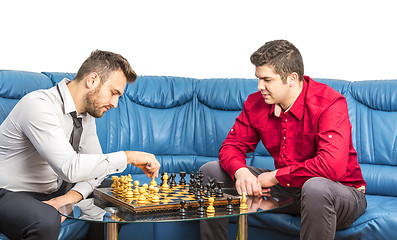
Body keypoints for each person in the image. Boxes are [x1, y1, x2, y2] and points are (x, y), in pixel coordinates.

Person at [199, 40, 367, 240]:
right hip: (288, 190)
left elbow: (331, 167)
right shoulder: (257, 103)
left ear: (292, 78)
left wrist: (276, 176)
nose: (260, 86)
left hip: (338, 193)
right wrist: (241, 172)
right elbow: (231, 146)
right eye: (258, 78)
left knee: (315, 188)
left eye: (267, 80)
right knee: (210, 171)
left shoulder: (329, 104)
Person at [0, 50, 161, 240]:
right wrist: (128, 157)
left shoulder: (85, 114)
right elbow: (69, 168)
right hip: (11, 193)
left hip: (56, 190)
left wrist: (68, 199)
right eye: (113, 93)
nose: (115, 104)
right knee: (45, 219)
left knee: (117, 193)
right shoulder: (39, 105)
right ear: (92, 80)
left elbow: (97, 173)